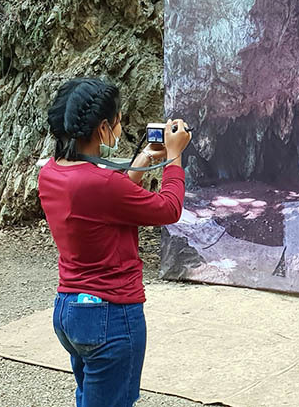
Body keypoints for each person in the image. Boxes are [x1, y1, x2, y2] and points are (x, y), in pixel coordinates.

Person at [38, 78, 192, 406]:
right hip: (111, 316)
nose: (120, 125)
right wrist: (174, 157)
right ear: (104, 127)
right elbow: (169, 208)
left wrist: (142, 162)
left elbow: (103, 200)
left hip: (71, 312)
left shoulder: (51, 173)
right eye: (119, 120)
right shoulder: (102, 184)